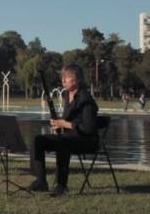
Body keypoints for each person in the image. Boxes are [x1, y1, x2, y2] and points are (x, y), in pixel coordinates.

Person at [28, 64, 99, 196]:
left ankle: (61, 185)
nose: (63, 81)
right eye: (62, 78)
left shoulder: (86, 99)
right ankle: (41, 181)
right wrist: (58, 123)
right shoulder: (67, 95)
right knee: (37, 140)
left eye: (66, 78)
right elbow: (68, 121)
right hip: (69, 137)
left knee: (63, 142)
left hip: (86, 140)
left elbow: (88, 128)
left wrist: (64, 124)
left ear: (76, 80)